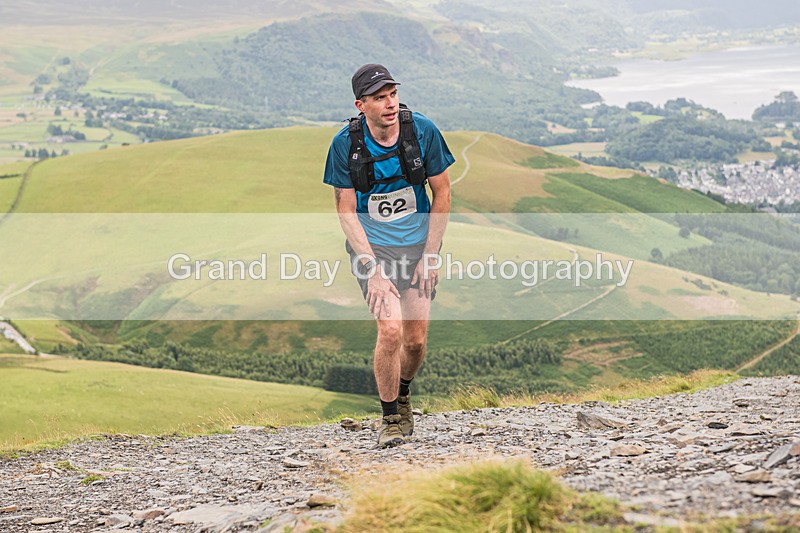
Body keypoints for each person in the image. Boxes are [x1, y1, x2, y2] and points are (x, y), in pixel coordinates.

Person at [323, 63, 455, 448]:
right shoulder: (344, 145)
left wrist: (431, 255)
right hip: (374, 249)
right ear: (361, 105)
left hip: (417, 246)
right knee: (391, 330)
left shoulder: (422, 132)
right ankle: (390, 419)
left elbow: (443, 194)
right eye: (379, 98)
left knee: (415, 342)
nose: (390, 103)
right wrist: (372, 270)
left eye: (393, 94)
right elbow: (346, 210)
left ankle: (404, 392)